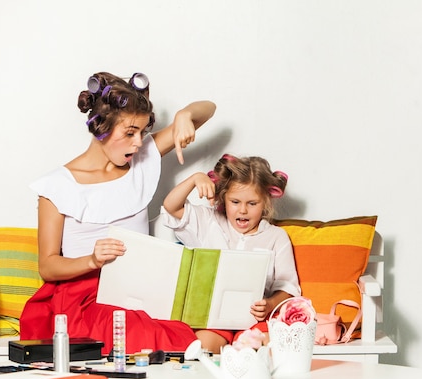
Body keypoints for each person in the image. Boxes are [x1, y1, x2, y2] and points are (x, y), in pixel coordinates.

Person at [19, 71, 217, 355]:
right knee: (132, 328)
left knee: (216, 318)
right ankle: (191, 348)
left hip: (140, 285)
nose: (138, 143)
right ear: (102, 128)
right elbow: (47, 266)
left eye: (143, 132)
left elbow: (208, 109)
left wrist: (185, 114)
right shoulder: (58, 186)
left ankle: (195, 349)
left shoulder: (141, 160)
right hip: (86, 296)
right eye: (129, 133)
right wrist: (91, 260)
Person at [160, 153, 301, 352]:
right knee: (202, 348)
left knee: (265, 347)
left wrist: (270, 304)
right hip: (214, 320)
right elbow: (171, 207)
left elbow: (289, 287)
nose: (242, 210)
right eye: (235, 202)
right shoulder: (208, 222)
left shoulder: (276, 237)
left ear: (266, 202)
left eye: (252, 204)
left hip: (255, 319)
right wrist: (194, 179)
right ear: (223, 198)